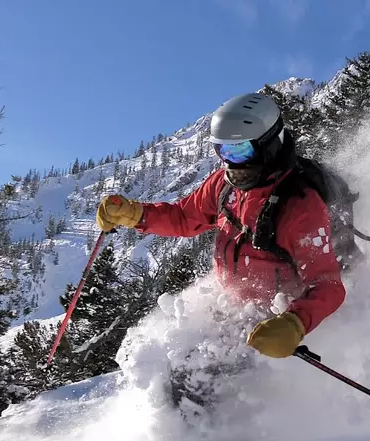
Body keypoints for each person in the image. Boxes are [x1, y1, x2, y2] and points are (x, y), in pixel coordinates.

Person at [95, 92, 349, 421]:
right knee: (176, 368)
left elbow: (328, 284)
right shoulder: (225, 185)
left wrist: (294, 323)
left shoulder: (300, 206)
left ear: (269, 144)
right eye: (221, 150)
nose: (228, 161)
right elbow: (184, 218)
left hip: (271, 319)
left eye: (239, 150)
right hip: (231, 306)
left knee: (197, 383)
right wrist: (135, 214)